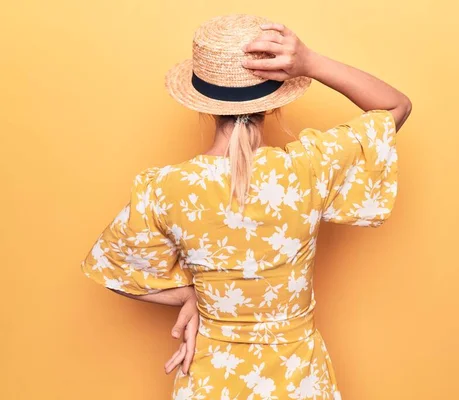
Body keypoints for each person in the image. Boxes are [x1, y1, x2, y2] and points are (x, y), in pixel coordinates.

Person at [80, 13, 411, 400]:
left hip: (211, 379)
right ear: (274, 104)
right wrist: (311, 63)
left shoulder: (167, 187)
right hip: (298, 380)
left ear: (203, 106)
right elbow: (396, 106)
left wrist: (191, 296)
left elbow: (114, 269)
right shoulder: (308, 169)